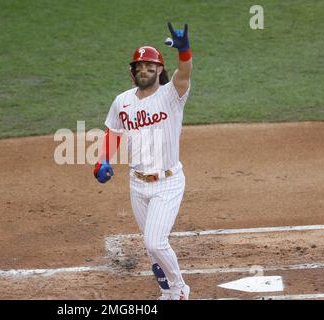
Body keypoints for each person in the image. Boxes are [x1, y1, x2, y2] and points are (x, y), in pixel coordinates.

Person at [94, 22, 193, 300]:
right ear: (131, 71)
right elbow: (112, 133)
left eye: (150, 66)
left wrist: (184, 51)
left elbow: (184, 74)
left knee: (155, 241)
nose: (144, 70)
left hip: (168, 182)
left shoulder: (171, 95)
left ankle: (179, 289)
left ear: (160, 70)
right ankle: (166, 292)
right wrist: (103, 161)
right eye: (139, 66)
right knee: (151, 248)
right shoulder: (122, 101)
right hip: (137, 184)